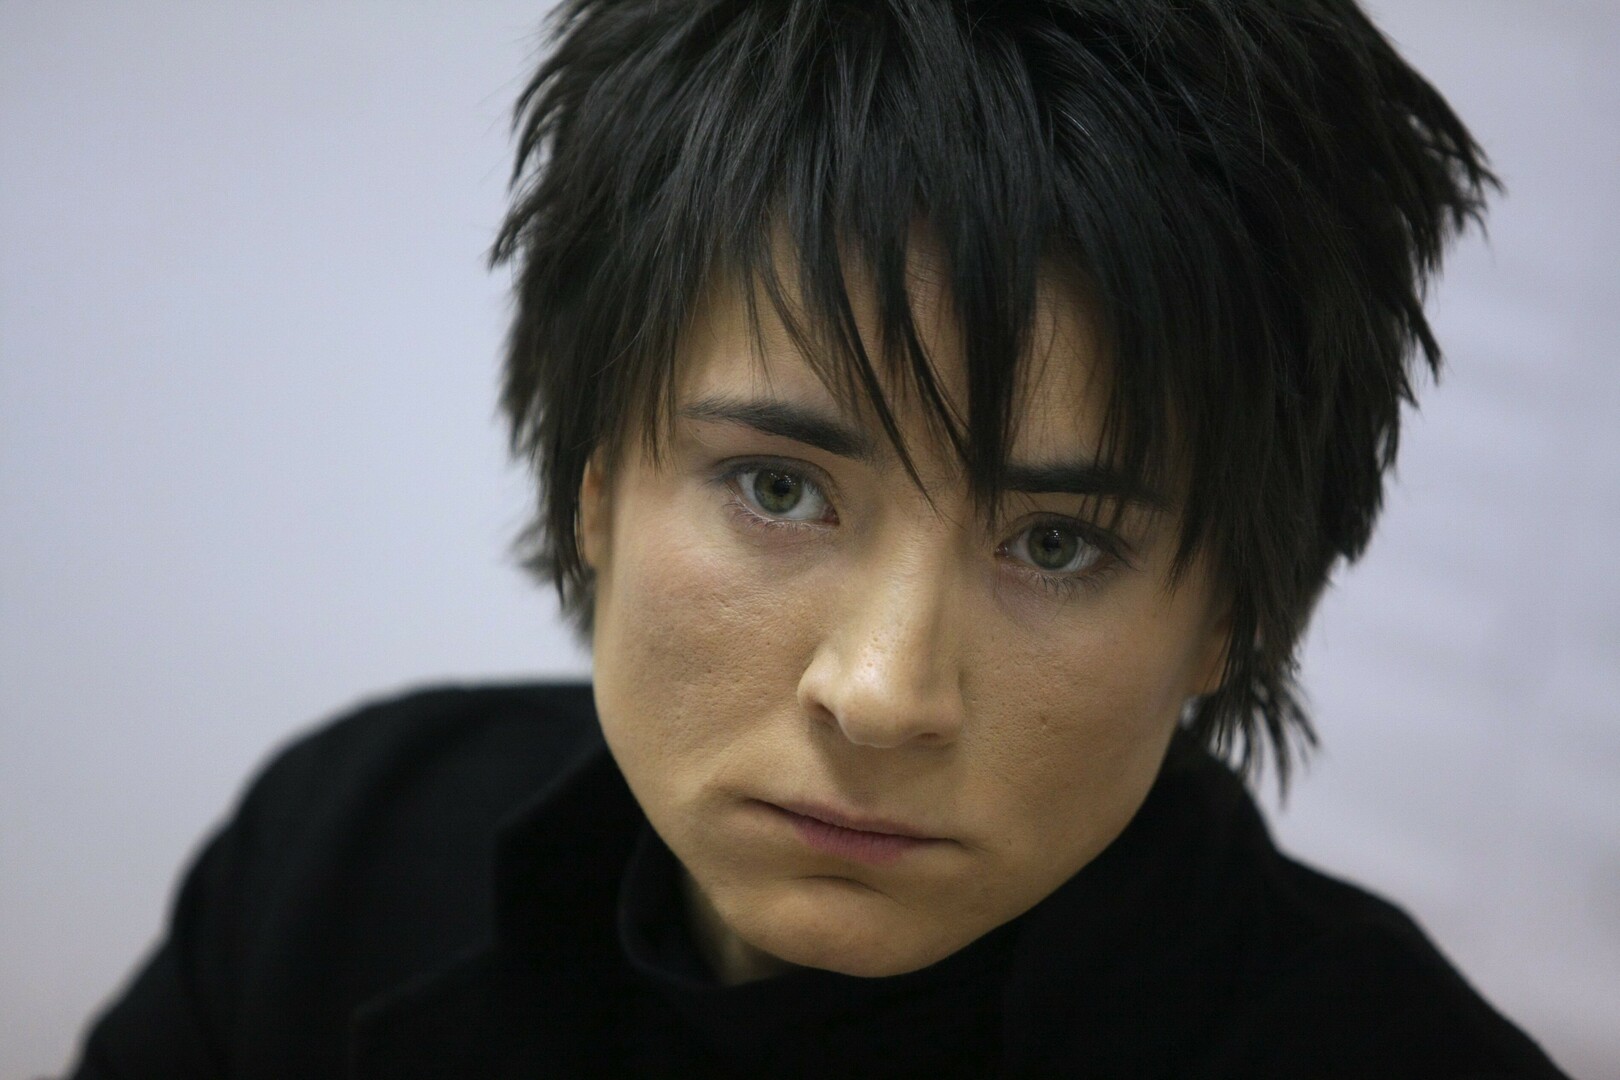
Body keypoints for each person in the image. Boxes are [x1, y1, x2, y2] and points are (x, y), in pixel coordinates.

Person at [67, 0, 1570, 1076]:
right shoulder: (337, 867)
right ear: (596, 481)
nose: (883, 694)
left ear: (1232, 610)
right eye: (778, 489)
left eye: (1057, 543)